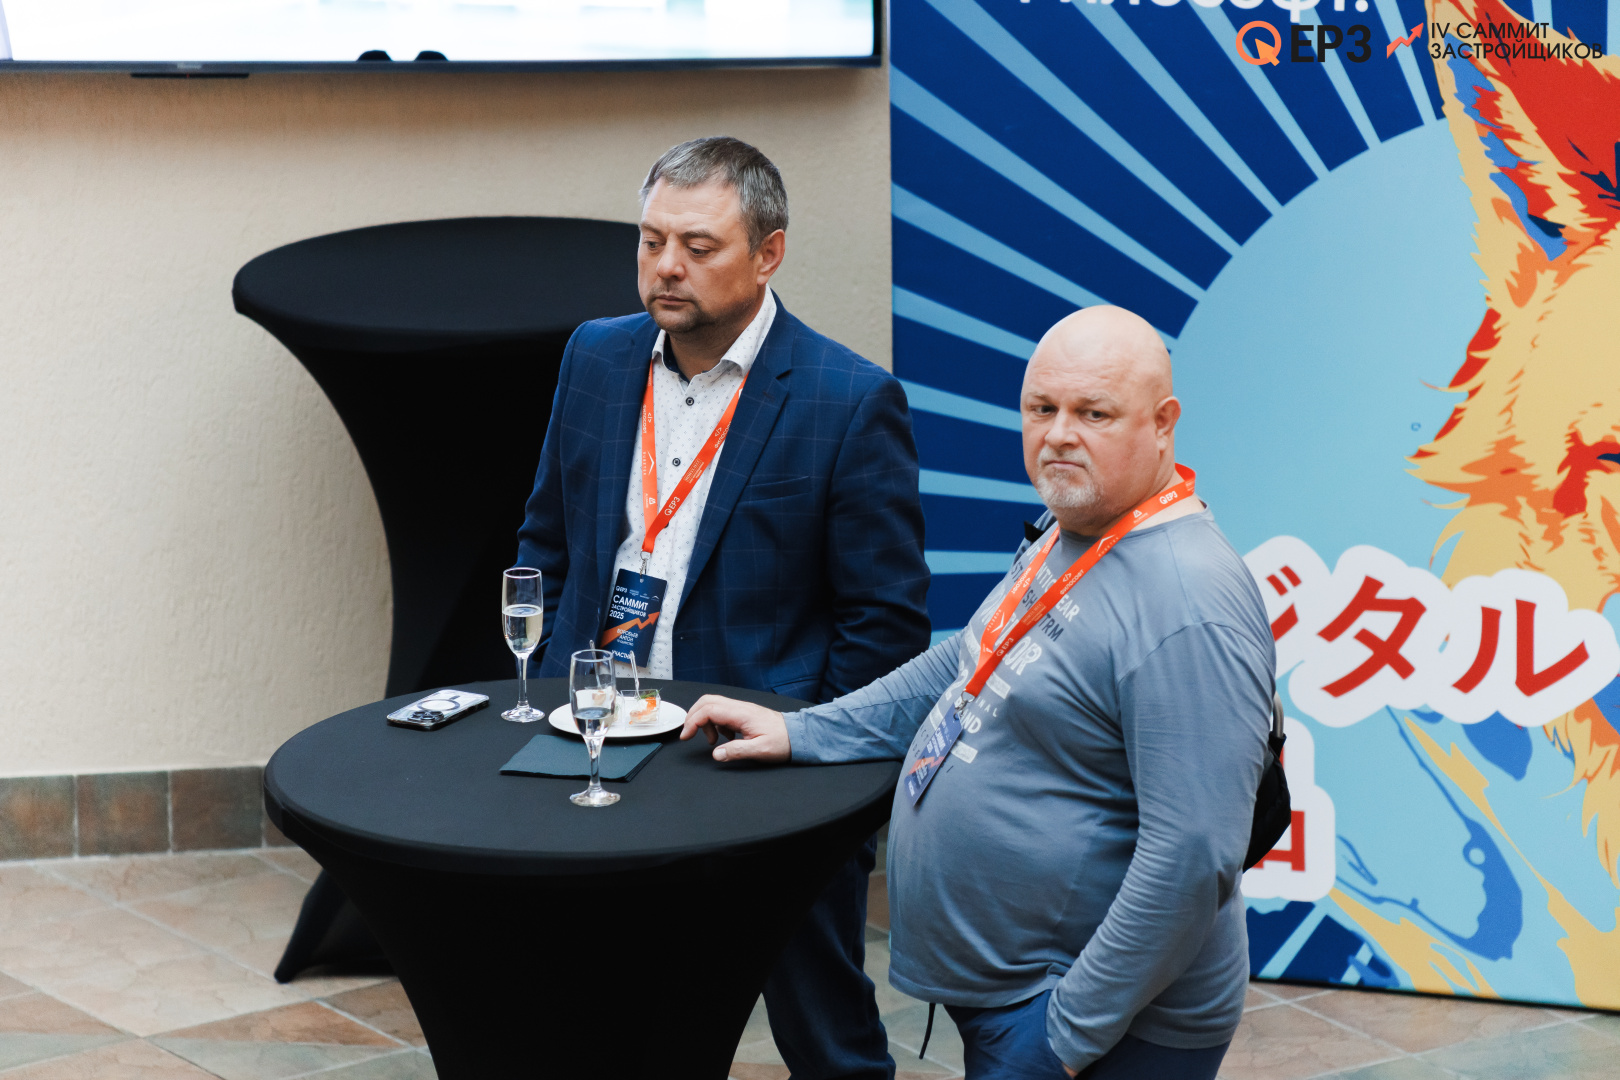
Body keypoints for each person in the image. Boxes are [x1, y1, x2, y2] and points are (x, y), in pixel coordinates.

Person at [681, 306, 1274, 1080]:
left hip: (1099, 1028)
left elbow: (1192, 856)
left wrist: (1062, 1039)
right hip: (1024, 1002)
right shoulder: (1077, 527)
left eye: (1093, 414)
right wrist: (805, 731)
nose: (1059, 435)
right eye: (1041, 409)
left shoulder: (1188, 601)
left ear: (1163, 424)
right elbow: (969, 664)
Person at [517, 136, 930, 1079]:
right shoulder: (594, 357)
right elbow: (548, 537)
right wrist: (554, 687)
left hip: (755, 758)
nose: (667, 266)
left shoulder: (847, 399)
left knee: (824, 1031)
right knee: (602, 1008)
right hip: (599, 734)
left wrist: (809, 753)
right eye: (651, 241)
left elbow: (885, 624)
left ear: (768, 253)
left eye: (698, 247)